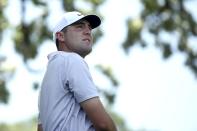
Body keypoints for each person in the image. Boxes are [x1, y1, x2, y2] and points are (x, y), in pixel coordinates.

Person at [37, 11, 117, 131]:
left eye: (89, 28)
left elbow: (40, 128)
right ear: (61, 36)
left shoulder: (47, 82)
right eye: (79, 27)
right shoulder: (71, 60)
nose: (88, 31)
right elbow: (103, 125)